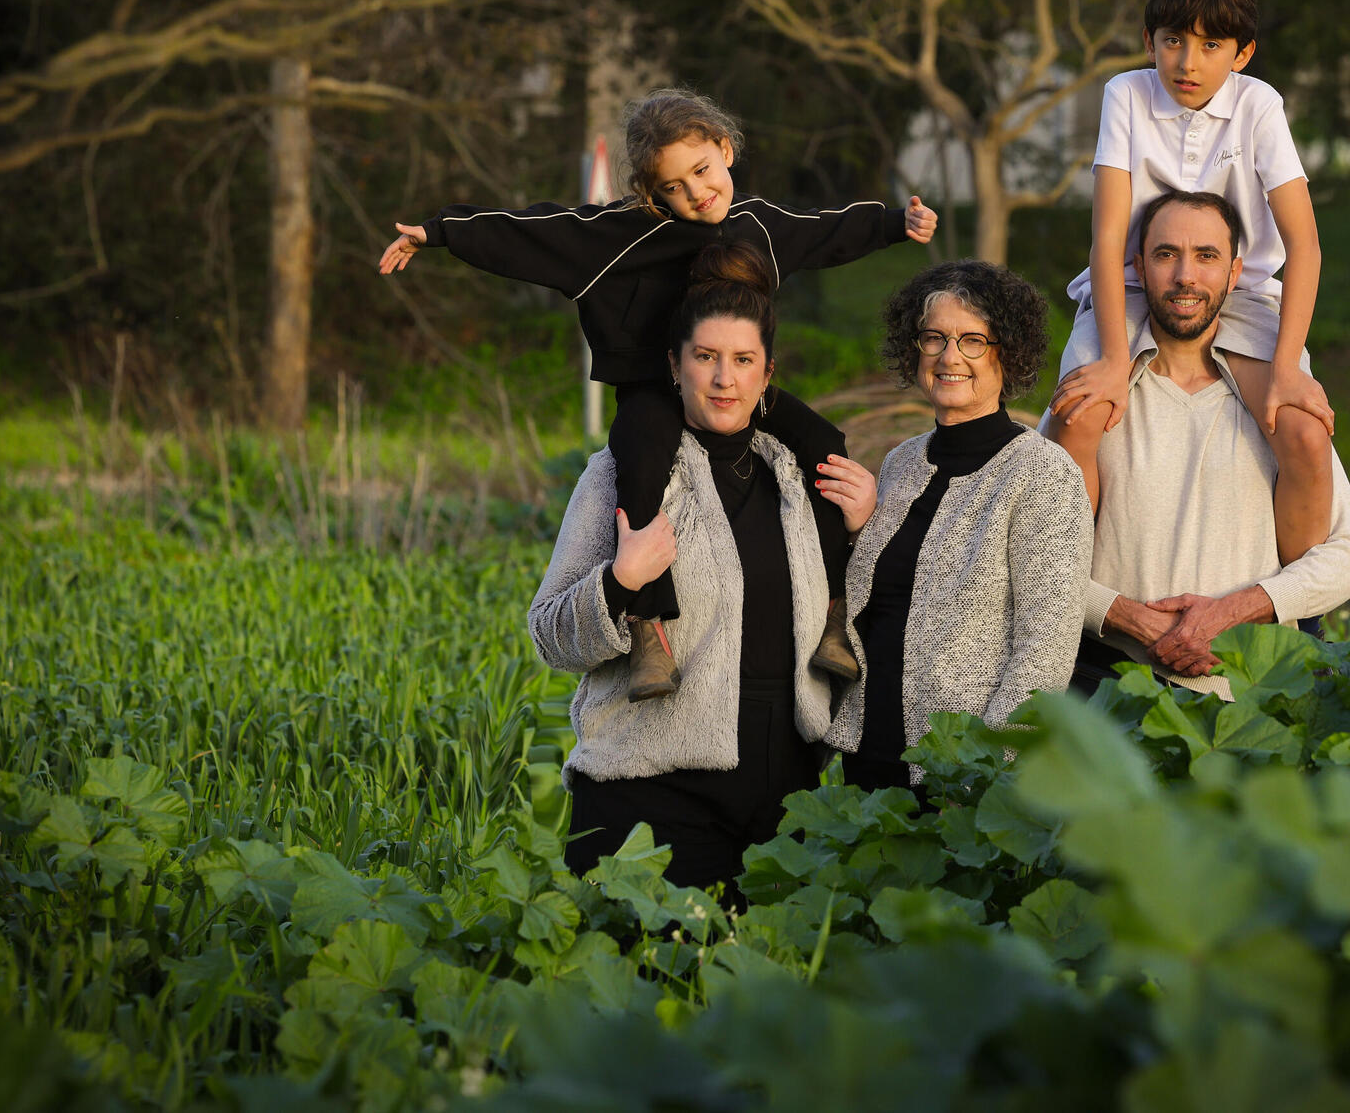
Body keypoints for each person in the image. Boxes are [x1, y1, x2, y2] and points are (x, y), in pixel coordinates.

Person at [382, 88, 937, 699]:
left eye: (701, 171)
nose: (697, 193)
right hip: (651, 390)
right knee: (640, 466)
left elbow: (825, 231)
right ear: (654, 194)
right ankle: (649, 629)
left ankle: (833, 613)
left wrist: (893, 224)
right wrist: (438, 233)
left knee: (826, 443)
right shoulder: (623, 234)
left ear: (725, 150)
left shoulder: (760, 227)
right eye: (674, 186)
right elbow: (533, 232)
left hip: (737, 391)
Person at [529, 242, 875, 897]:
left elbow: (861, 618)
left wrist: (861, 533)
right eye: (706, 357)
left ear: (767, 373)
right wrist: (620, 581)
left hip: (784, 810)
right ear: (674, 364)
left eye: (742, 360)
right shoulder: (617, 476)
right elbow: (550, 631)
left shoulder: (798, 480)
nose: (724, 379)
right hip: (650, 804)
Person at [1046, 0, 1335, 577]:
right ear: (1149, 41)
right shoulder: (1124, 93)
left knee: (1306, 435)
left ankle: (1297, 623)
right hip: (1131, 287)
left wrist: (1286, 367)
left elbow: (1305, 244)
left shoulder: (1259, 106)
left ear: (1243, 53)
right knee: (1079, 421)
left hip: (1240, 296)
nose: (1188, 62)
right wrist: (1117, 362)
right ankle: (1070, 599)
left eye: (1211, 45)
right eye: (1173, 41)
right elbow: (1106, 238)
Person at [1070, 191, 1350, 702]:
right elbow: (1035, 556)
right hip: (1112, 684)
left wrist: (1236, 611)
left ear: (1234, 274)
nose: (1186, 275)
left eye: (1206, 256)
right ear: (1139, 268)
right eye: (1166, 255)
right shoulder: (1095, 402)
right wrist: (1135, 622)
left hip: (1255, 692)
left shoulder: (1275, 409)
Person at [821, 261, 1093, 793]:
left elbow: (1045, 652)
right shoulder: (901, 463)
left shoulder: (1042, 471)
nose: (950, 357)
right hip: (868, 758)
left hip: (960, 774)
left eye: (973, 341)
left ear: (1006, 353)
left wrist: (985, 770)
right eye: (935, 339)